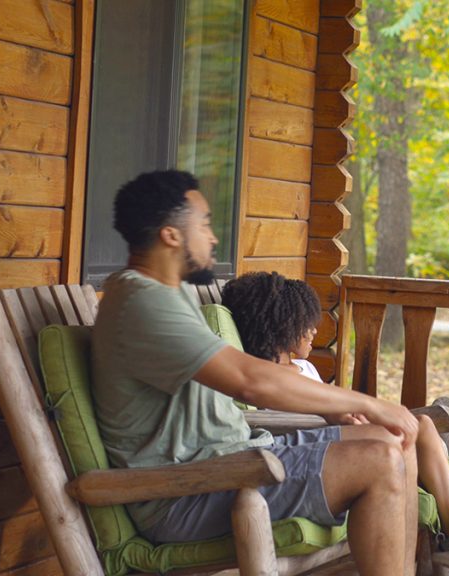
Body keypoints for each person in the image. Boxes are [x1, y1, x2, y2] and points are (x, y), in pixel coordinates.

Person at [92, 170, 422, 576]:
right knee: (380, 459)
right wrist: (371, 403)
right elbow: (253, 380)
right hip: (189, 491)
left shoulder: (166, 293)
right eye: (205, 224)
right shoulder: (143, 304)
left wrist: (343, 411)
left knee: (396, 440)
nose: (213, 238)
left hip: (232, 462)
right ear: (171, 235)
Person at [220, 271, 449, 574]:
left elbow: (335, 404)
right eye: (305, 323)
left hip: (343, 434)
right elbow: (297, 417)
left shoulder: (302, 366)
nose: (314, 329)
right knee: (417, 427)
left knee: (420, 423)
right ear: (281, 323)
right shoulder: (264, 375)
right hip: (322, 449)